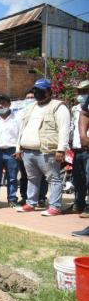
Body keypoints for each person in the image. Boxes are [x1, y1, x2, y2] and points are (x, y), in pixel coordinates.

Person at [16, 78, 70, 217]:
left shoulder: (58, 107)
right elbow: (22, 128)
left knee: (53, 178)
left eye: (41, 91)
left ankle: (55, 206)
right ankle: (31, 203)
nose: (37, 93)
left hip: (47, 151)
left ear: (49, 91)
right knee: (32, 178)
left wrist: (61, 149)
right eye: (35, 91)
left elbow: (64, 129)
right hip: (28, 150)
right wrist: (18, 147)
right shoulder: (31, 107)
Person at [18, 90, 48, 206]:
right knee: (25, 176)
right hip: (25, 149)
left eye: (32, 97)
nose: (30, 99)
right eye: (27, 97)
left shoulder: (41, 111)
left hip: (40, 148)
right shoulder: (20, 113)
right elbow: (19, 132)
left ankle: (41, 198)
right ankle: (25, 197)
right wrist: (18, 148)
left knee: (43, 176)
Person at [70, 80, 89, 217]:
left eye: (84, 91)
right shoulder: (75, 108)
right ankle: (79, 204)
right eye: (79, 91)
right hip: (77, 149)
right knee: (78, 180)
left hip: (88, 148)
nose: (81, 94)